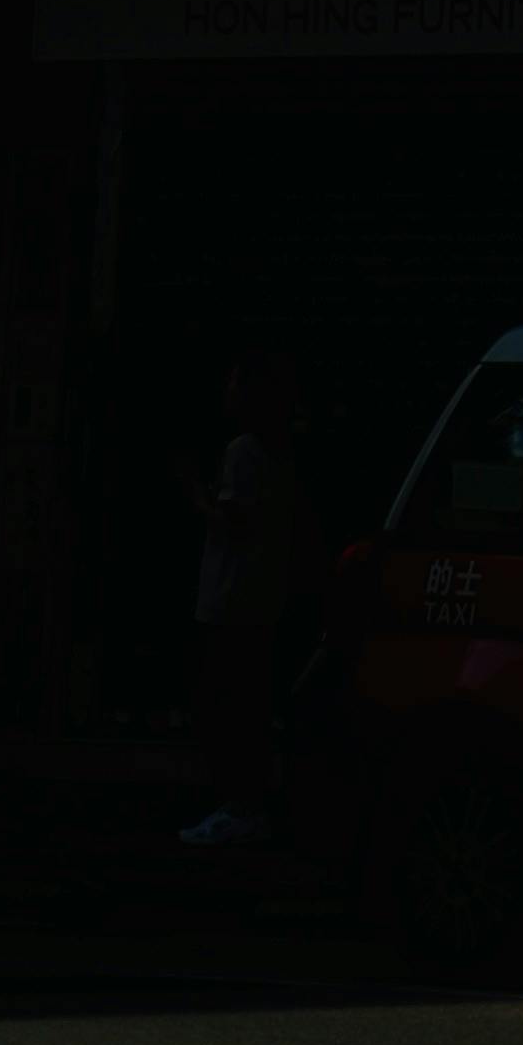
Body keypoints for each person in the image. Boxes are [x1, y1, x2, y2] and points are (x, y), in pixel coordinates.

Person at [182, 349, 314, 852]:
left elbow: (230, 521)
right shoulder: (278, 452)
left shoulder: (242, 451)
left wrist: (195, 493)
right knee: (251, 709)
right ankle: (248, 807)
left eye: (235, 382)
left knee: (229, 711)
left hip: (231, 603)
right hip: (260, 601)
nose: (227, 391)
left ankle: (239, 809)